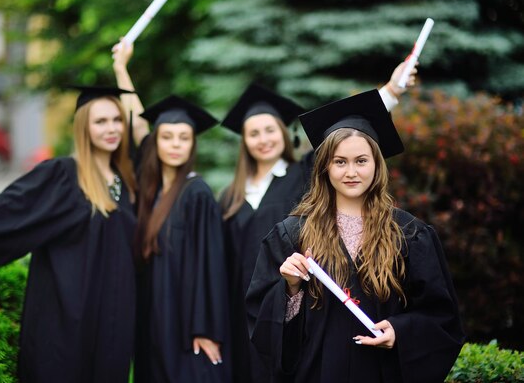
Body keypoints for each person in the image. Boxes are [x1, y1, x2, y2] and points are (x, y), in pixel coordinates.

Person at [0, 84, 146, 383]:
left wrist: (122, 70)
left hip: (113, 317)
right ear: (83, 126)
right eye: (100, 121)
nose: (112, 128)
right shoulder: (64, 174)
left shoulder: (127, 180)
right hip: (68, 315)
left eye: (117, 120)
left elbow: (145, 130)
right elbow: (9, 211)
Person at [245, 89, 465, 383]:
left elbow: (442, 318)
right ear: (324, 167)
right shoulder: (292, 234)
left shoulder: (409, 234)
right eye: (340, 162)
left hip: (381, 372)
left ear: (377, 165)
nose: (351, 172)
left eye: (361, 161)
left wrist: (400, 330)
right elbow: (262, 327)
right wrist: (291, 290)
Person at [219, 62, 416, 383]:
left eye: (270, 130)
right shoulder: (230, 195)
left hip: (298, 303)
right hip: (255, 305)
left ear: (284, 134)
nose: (263, 139)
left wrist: (391, 91)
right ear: (244, 141)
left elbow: (347, 144)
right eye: (254, 133)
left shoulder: (302, 173)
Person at [134, 95, 232, 383]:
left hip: (184, 321)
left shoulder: (196, 192)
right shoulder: (150, 192)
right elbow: (138, 129)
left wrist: (205, 329)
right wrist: (120, 70)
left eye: (183, 138)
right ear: (156, 142)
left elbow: (210, 265)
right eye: (167, 137)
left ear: (192, 144)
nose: (175, 144)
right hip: (153, 316)